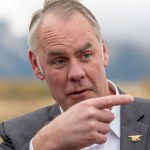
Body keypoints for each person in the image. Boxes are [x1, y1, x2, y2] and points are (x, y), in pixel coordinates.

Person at [0, 0, 150, 150]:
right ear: (36, 65)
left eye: (85, 55)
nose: (76, 73)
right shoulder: (17, 137)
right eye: (59, 61)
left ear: (103, 52)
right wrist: (44, 144)